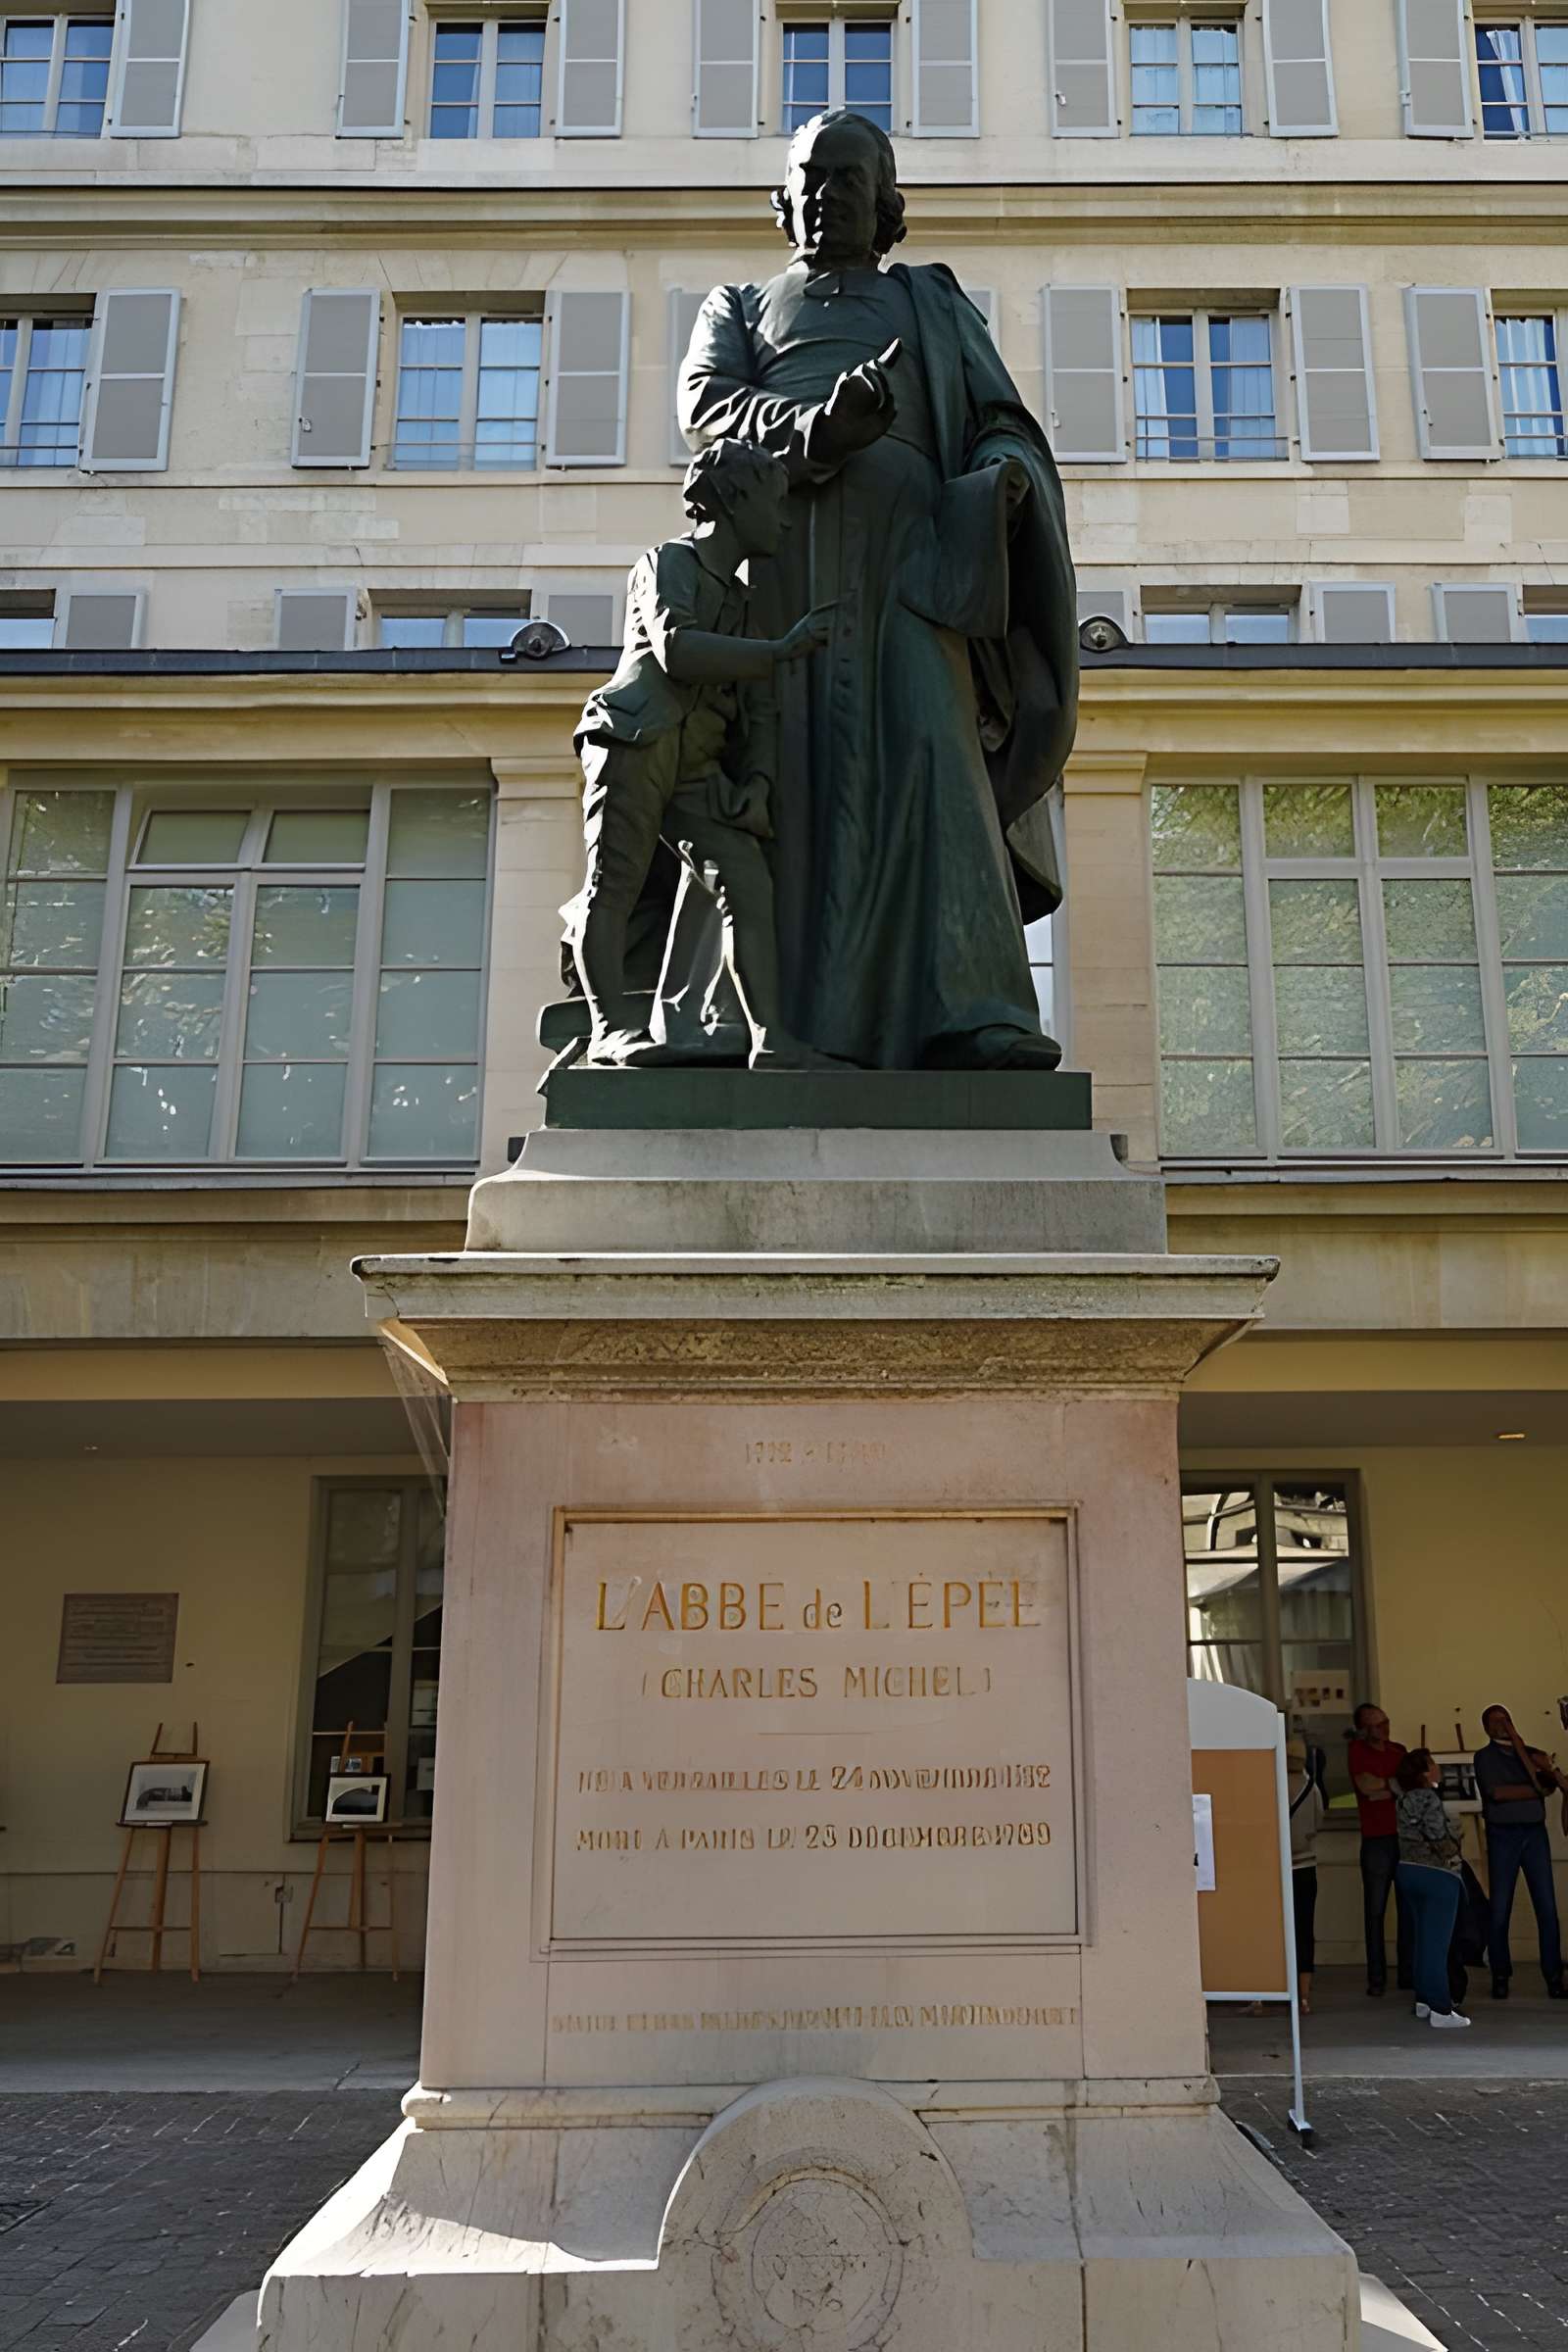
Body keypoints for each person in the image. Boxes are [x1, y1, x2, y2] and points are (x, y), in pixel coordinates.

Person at [678, 108, 1079, 1072]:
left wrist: (1006, 475)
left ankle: (971, 1004)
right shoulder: (736, 306)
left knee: (933, 761)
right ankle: (728, 1014)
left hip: (914, 569)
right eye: (810, 180)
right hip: (779, 565)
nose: (826, 198)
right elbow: (708, 409)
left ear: (885, 203)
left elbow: (1000, 421)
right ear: (784, 200)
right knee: (765, 778)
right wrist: (828, 422)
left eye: (848, 181)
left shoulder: (933, 306)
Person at [565, 441, 833, 1070]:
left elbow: (757, 708)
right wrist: (782, 651)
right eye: (776, 504)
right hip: (635, 737)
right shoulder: (668, 563)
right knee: (613, 886)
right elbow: (677, 650)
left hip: (698, 764)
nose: (786, 520)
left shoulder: (742, 605)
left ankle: (771, 1041)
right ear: (735, 502)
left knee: (745, 880)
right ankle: (610, 1030)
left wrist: (760, 780)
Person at [1472, 1702, 1567, 1999]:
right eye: (1496, 1721)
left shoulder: (1529, 1752)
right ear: (1486, 1727)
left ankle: (1553, 1975)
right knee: (1500, 1907)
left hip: (1534, 1834)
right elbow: (1497, 1793)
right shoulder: (1484, 1757)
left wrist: (1520, 1746)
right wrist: (1536, 1788)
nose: (1503, 1725)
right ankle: (1501, 1973)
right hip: (1503, 1836)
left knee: (1547, 1908)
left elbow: (1553, 1783)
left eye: (1507, 1719)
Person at [1394, 1748, 1470, 2030]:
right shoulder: (1429, 1798)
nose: (1438, 1768)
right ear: (1425, 1773)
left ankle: (1424, 2000)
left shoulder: (1403, 1799)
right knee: (1438, 1944)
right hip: (1437, 1874)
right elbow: (1437, 1834)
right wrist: (1454, 1852)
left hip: (1407, 1869)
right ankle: (1441, 2008)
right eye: (1433, 1765)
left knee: (1422, 1940)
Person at [1348, 1700, 1412, 1997]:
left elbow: (1413, 1783)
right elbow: (1366, 1788)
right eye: (1376, 1725)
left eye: (1385, 1722)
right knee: (1375, 1910)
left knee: (1407, 1907)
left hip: (1404, 1836)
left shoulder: (1399, 1751)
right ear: (1363, 1729)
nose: (1384, 1729)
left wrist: (1387, 1788)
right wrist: (1395, 1787)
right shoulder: (1357, 1752)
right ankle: (1377, 1978)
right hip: (1376, 1839)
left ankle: (1407, 1973)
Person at [1288, 1734, 1326, 2015]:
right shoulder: (1311, 1786)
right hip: (1304, 1865)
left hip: (1274, 1868)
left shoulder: (1267, 1785)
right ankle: (1304, 1996)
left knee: (1276, 1931)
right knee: (1304, 1929)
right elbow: (1317, 1822)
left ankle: (1265, 1993)